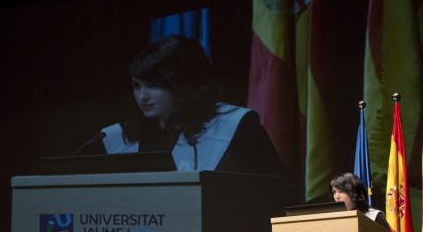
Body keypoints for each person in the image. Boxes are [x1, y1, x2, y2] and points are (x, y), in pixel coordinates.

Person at [94, 35, 282, 173]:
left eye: (154, 85)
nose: (142, 96)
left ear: (184, 84)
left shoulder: (236, 125)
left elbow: (274, 193)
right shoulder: (123, 135)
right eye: (136, 86)